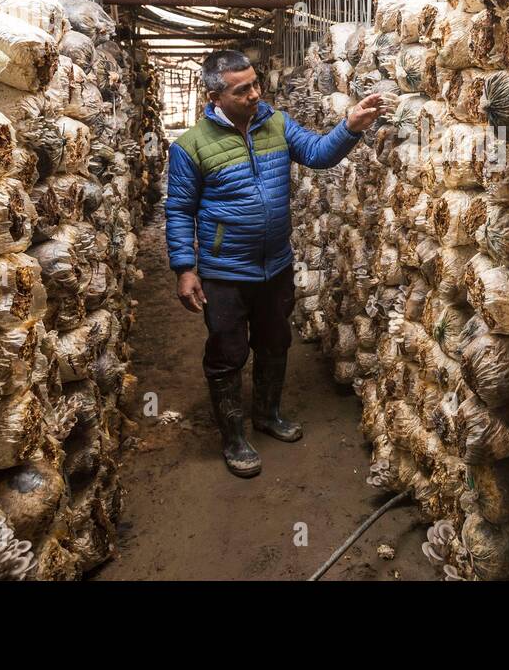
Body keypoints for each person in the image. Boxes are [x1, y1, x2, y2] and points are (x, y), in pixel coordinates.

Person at [165, 49, 385, 477]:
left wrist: (350, 127)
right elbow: (178, 210)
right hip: (225, 271)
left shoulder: (276, 124)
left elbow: (319, 154)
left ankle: (267, 414)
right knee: (227, 354)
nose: (254, 94)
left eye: (255, 83)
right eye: (241, 88)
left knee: (274, 342)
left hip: (275, 265)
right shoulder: (191, 147)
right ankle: (233, 437)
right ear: (215, 96)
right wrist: (185, 269)